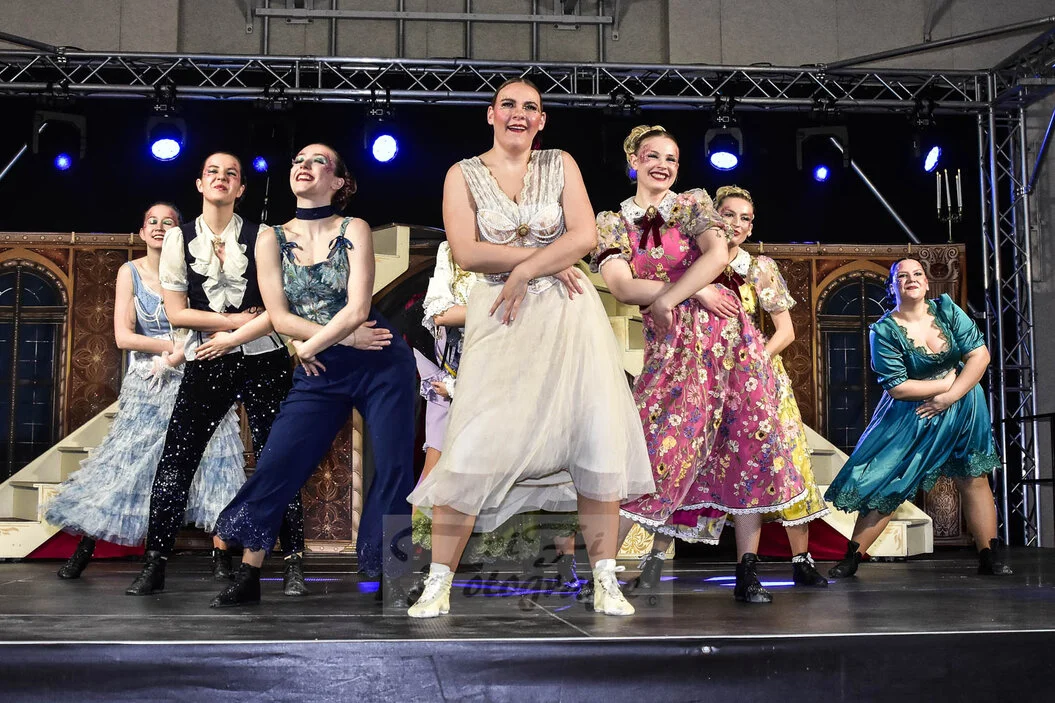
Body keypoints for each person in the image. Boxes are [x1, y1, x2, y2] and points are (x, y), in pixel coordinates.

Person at [407, 78, 655, 618]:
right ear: (491, 114)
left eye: (531, 107)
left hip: (570, 316)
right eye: (509, 105)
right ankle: (438, 583)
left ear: (541, 120)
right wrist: (537, 263)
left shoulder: (560, 163)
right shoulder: (462, 173)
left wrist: (527, 270)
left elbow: (584, 237)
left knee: (593, 440)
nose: (519, 114)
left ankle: (605, 579)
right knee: (472, 446)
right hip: (500, 317)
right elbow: (467, 251)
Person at [593, 125, 806, 604]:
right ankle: (599, 572)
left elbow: (716, 255)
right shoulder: (613, 221)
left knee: (746, 449)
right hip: (671, 349)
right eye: (652, 156)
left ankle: (747, 572)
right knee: (653, 455)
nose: (662, 165)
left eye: (671, 158)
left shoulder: (692, 203)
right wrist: (696, 291)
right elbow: (623, 286)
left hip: (730, 345)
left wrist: (676, 295)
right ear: (633, 160)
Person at [209, 142, 416, 607]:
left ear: (338, 181)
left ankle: (395, 575)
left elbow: (359, 308)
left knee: (395, 467)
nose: (304, 165)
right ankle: (248, 574)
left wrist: (312, 343)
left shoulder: (353, 228)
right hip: (323, 366)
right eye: (298, 160)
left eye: (317, 161)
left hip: (380, 361)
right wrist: (328, 342)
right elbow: (280, 316)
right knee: (280, 461)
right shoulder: (270, 238)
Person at [125, 153, 307, 597]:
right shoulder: (179, 238)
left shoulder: (263, 235)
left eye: (231, 174)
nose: (221, 178)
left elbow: (276, 308)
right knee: (178, 458)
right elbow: (176, 312)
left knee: (278, 459)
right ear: (200, 183)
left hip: (264, 357)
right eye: (213, 172)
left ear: (241, 188)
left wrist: (242, 329)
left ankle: (293, 560)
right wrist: (232, 323)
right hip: (208, 356)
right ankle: (155, 562)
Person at [46, 203, 245, 579]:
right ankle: (85, 546)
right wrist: (171, 349)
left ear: (179, 232)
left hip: (197, 376)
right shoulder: (130, 272)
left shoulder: (195, 269)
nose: (158, 226)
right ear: (141, 232)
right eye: (152, 221)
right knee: (125, 466)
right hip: (149, 381)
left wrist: (182, 353)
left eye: (168, 222)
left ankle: (221, 559)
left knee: (215, 462)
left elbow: (214, 324)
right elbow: (124, 336)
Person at [825, 258, 1012, 578]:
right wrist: (943, 386)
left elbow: (979, 356)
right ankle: (853, 556)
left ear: (926, 283)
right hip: (915, 411)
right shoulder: (884, 331)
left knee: (973, 475)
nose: (911, 279)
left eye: (917, 274)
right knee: (891, 481)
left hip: (965, 405)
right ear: (892, 286)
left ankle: (988, 555)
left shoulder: (948, 311)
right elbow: (898, 387)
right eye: (902, 276)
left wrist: (951, 395)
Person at [411, 243, 579, 591]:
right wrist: (506, 305)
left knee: (548, 468)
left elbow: (546, 313)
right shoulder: (453, 250)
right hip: (456, 372)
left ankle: (566, 563)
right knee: (438, 468)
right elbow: (439, 312)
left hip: (517, 374)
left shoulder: (533, 246)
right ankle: (424, 566)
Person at [709, 185, 830, 587]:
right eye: (728, 214)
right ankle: (664, 558)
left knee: (786, 460)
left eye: (745, 218)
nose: (737, 224)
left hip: (760, 379)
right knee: (713, 464)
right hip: (712, 379)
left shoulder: (757, 267)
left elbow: (786, 331)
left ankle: (801, 560)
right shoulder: (698, 263)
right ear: (713, 217)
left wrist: (752, 361)